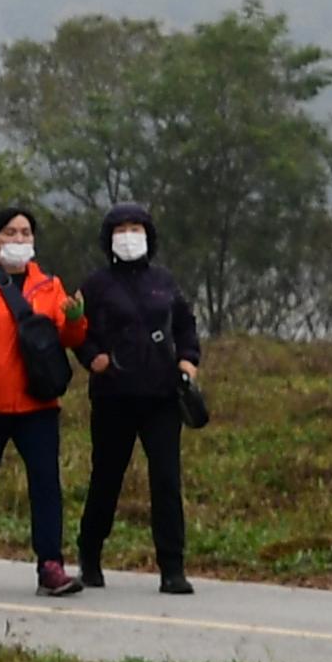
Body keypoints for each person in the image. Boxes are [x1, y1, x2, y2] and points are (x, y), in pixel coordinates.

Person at [0, 204, 89, 596]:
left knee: (46, 483)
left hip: (38, 405)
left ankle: (50, 565)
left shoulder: (50, 286)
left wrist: (78, 320)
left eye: (25, 233)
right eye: (10, 233)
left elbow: (67, 339)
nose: (18, 240)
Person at [74, 200, 202, 594]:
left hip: (162, 397)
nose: (130, 236)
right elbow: (77, 329)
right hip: (114, 396)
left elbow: (185, 324)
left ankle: (172, 567)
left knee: (166, 480)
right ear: (108, 238)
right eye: (121, 229)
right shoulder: (95, 285)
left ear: (149, 235)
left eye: (137, 228)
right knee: (106, 479)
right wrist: (90, 356)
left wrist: (188, 361)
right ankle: (89, 556)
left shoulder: (164, 280)